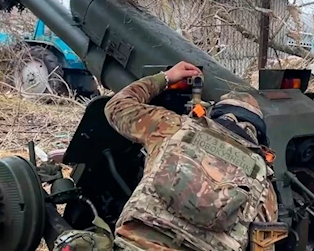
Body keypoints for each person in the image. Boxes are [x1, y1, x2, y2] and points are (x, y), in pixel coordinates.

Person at [102, 61, 279, 251]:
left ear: (215, 115)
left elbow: (117, 106)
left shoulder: (174, 128)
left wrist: (166, 77)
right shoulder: (263, 184)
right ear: (257, 134)